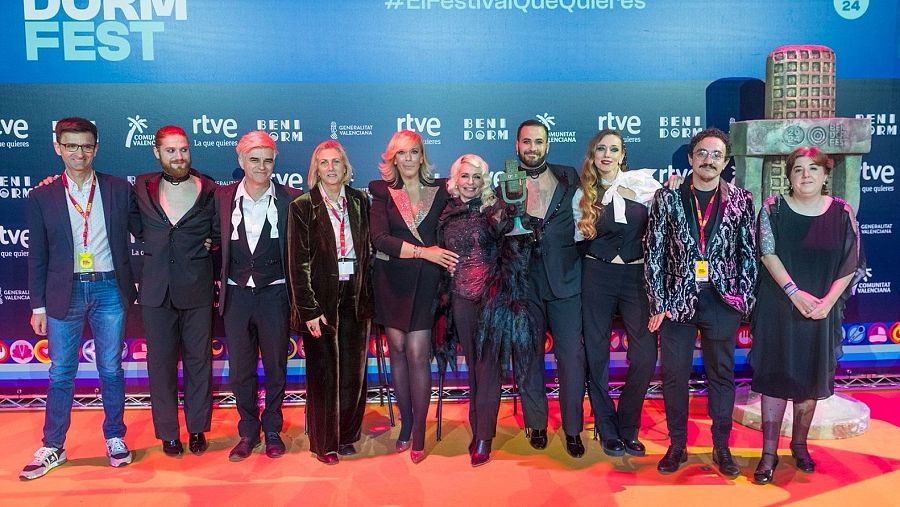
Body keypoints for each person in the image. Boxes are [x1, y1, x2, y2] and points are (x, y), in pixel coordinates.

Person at [21, 117, 137, 479]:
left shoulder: (119, 189)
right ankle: (53, 445)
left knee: (111, 369)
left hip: (108, 288)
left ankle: (115, 437)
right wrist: (37, 304)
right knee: (61, 373)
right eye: (70, 145)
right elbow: (37, 254)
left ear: (96, 148)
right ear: (58, 147)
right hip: (63, 291)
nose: (79, 153)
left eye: (86, 145)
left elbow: (149, 224)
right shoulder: (42, 195)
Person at [645, 127, 757, 477]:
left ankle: (721, 448)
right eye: (703, 154)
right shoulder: (668, 197)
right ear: (691, 158)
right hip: (677, 301)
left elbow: (748, 254)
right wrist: (659, 301)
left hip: (722, 300)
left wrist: (743, 299)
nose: (709, 160)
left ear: (726, 162)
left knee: (722, 376)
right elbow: (654, 252)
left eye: (717, 155)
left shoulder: (741, 199)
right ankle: (677, 445)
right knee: (675, 376)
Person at [749, 147, 864, 484]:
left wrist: (828, 302)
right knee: (774, 376)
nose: (805, 175)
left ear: (826, 175)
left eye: (813, 169)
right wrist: (794, 293)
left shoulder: (842, 212)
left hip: (820, 311)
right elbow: (767, 253)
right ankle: (768, 454)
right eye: (797, 169)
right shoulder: (773, 207)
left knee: (810, 379)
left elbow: (850, 260)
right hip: (779, 306)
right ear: (789, 176)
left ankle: (799, 445)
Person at [368, 130, 458, 463]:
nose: (408, 159)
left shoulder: (443, 191)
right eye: (401, 154)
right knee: (398, 350)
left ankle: (419, 429)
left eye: (414, 152)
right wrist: (425, 252)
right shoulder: (381, 191)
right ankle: (406, 424)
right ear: (392, 158)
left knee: (419, 352)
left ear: (422, 156)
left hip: (427, 283)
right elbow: (380, 239)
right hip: (391, 281)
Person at [572, 129, 661, 457]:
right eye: (600, 149)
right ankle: (607, 428)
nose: (606, 155)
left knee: (645, 354)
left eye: (613, 149)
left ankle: (628, 426)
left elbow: (666, 226)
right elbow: (572, 235)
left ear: (623, 155)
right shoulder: (583, 193)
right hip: (597, 274)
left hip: (636, 275)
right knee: (596, 353)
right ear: (593, 155)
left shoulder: (643, 185)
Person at [132, 125, 218, 457]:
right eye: (171, 151)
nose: (178, 156)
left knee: (199, 363)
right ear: (157, 153)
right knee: (161, 365)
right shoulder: (141, 186)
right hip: (155, 291)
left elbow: (220, 229)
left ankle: (197, 429)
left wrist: (212, 243)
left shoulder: (208, 188)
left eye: (183, 149)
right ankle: (168, 432)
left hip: (196, 288)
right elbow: (134, 225)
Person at [215, 131, 301, 461]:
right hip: (236, 297)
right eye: (254, 159)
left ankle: (274, 430)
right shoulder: (221, 198)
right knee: (241, 370)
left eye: (267, 160)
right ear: (240, 161)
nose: (261, 166)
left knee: (276, 367)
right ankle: (248, 431)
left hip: (276, 294)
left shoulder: (291, 198)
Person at [288, 140, 372, 465]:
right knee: (323, 375)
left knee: (354, 372)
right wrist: (308, 310)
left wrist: (367, 296)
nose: (331, 168)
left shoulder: (359, 200)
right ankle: (325, 444)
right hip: (320, 298)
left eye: (336, 162)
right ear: (316, 169)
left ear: (345, 166)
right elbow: (298, 264)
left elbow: (366, 251)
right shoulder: (302, 206)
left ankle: (347, 435)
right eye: (324, 163)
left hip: (355, 295)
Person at [511, 119, 586, 458]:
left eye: (538, 142)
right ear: (517, 145)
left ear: (548, 145)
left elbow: (596, 204)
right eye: (526, 142)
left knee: (571, 358)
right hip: (525, 282)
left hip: (566, 280)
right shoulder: (505, 181)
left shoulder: (569, 175)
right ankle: (537, 422)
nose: (532, 148)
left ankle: (573, 430)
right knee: (529, 359)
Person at [438, 154, 502, 467]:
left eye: (477, 177)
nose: (471, 182)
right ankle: (479, 427)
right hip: (460, 296)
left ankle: (483, 436)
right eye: (465, 176)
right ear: (455, 179)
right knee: (475, 364)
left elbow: (513, 247)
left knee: (488, 364)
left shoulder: (496, 209)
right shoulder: (445, 211)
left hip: (492, 296)